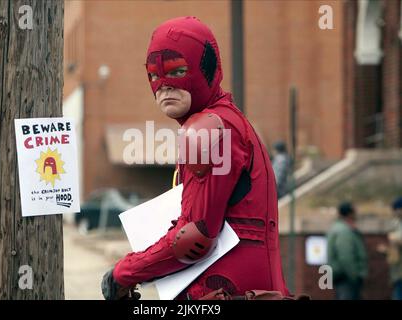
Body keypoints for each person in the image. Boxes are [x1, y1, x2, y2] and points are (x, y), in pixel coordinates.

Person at [101, 16, 288, 300]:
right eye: (153, 74)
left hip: (225, 291)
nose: (162, 84)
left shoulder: (207, 129)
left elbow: (194, 238)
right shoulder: (225, 123)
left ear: (207, 68)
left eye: (176, 71)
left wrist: (123, 273)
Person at [327, 202, 368, 300]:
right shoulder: (344, 231)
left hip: (342, 275)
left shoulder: (338, 228)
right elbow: (345, 256)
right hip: (346, 277)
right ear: (350, 214)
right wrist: (354, 275)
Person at [386, 197, 402, 300]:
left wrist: (396, 240)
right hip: (397, 271)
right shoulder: (396, 223)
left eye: (396, 210)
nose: (395, 213)